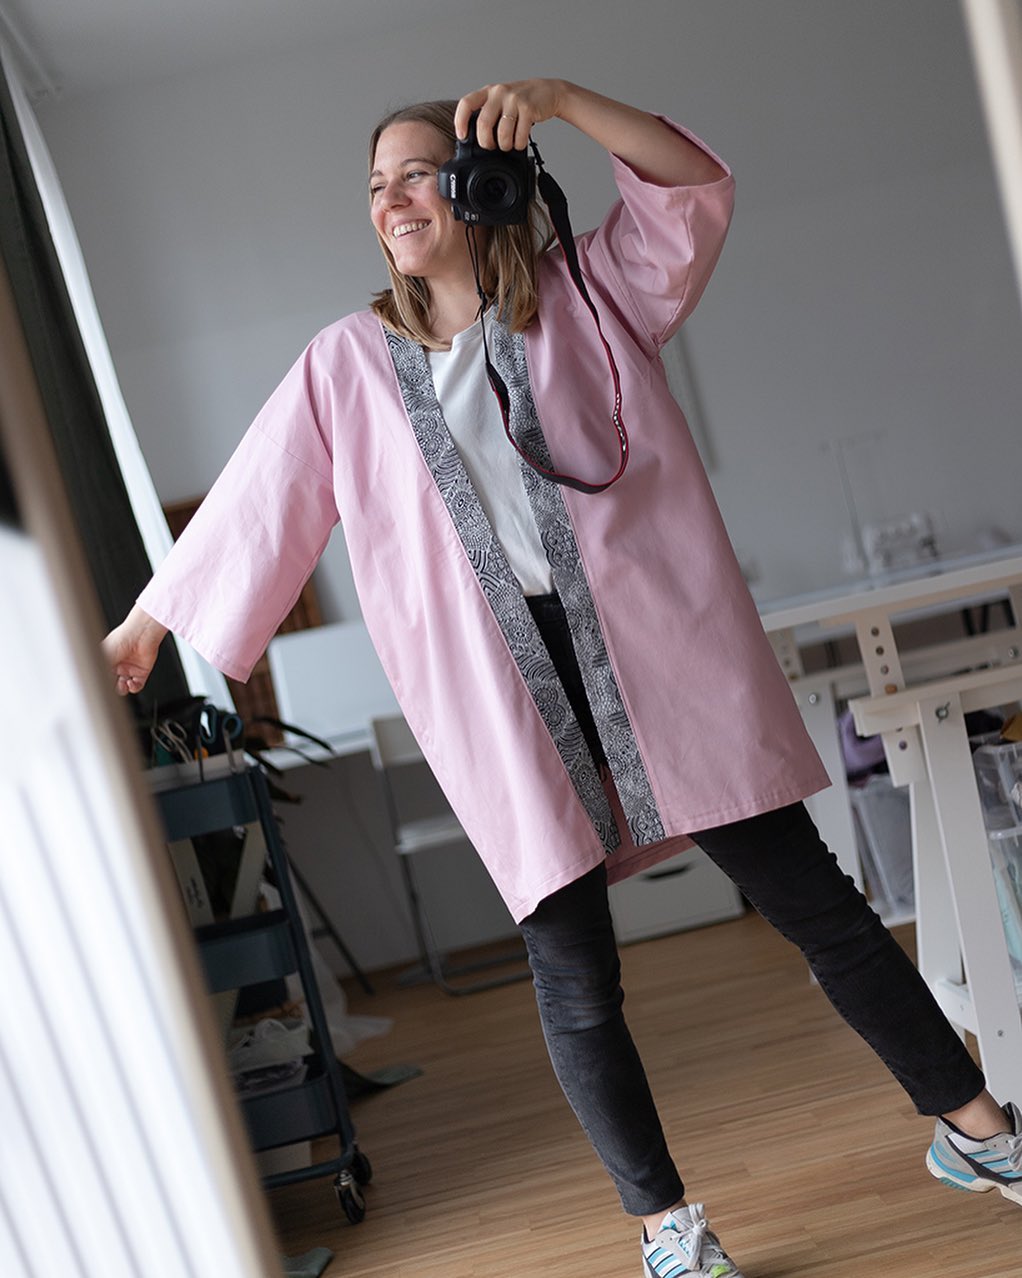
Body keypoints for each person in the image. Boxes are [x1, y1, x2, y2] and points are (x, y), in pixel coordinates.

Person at [103, 79, 1021, 1276]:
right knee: (576, 973)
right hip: (499, 695)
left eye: (416, 173)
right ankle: (666, 1229)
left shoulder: (590, 292)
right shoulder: (345, 364)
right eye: (374, 185)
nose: (391, 200)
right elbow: (255, 502)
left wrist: (561, 103)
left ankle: (975, 1131)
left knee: (816, 906)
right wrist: (146, 626)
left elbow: (690, 186)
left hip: (656, 657)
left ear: (476, 181)